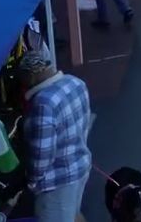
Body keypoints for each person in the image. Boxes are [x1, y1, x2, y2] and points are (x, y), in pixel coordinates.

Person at [18, 51, 91, 222]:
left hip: (56, 184)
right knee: (73, 215)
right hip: (80, 169)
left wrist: (31, 181)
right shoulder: (76, 82)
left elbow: (42, 157)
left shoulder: (43, 103)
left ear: (31, 76)